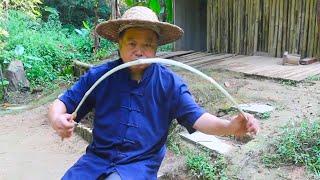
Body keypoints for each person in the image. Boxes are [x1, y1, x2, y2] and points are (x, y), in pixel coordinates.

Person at [48, 6, 259, 180]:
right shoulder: (100, 76)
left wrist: (229, 127)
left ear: (156, 48)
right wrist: (57, 118)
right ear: (119, 44)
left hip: (139, 165)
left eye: (147, 44)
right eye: (132, 43)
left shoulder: (170, 84)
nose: (139, 51)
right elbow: (62, 103)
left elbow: (198, 118)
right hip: (96, 160)